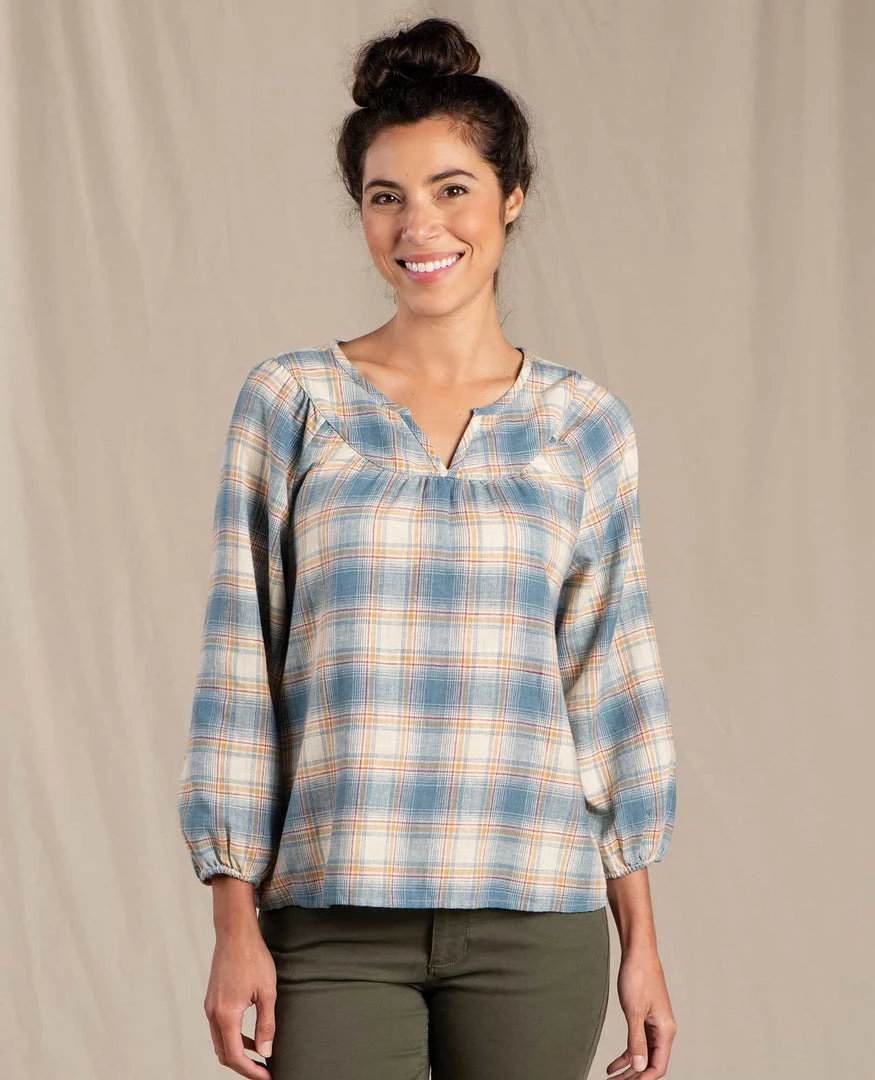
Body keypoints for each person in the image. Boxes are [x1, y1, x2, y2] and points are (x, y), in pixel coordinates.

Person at [176, 15, 678, 1080]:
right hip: (331, 915)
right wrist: (231, 921)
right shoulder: (292, 403)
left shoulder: (582, 426)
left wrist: (640, 942)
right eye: (385, 196)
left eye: (452, 189)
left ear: (511, 196)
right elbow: (238, 673)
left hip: (535, 919)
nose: (419, 226)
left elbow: (610, 685)